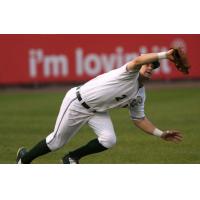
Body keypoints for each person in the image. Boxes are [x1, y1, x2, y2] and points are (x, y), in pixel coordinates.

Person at [16, 49, 182, 164]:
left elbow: (139, 119)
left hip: (97, 111)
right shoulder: (128, 73)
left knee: (109, 139)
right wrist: (164, 55)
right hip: (77, 102)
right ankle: (24, 159)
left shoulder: (140, 94)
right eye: (149, 64)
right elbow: (139, 60)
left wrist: (161, 134)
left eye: (154, 67)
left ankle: (71, 158)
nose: (150, 68)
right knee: (56, 142)